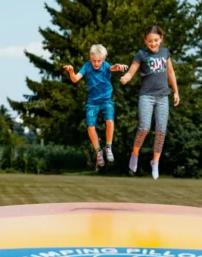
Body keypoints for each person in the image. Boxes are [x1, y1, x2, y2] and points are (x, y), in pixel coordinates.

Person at [120, 25, 180, 179]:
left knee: (161, 130)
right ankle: (135, 153)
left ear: (161, 39)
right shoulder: (141, 54)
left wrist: (176, 91)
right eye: (150, 41)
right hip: (146, 96)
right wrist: (126, 78)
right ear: (145, 41)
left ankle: (155, 162)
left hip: (162, 96)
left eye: (156, 40)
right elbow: (132, 70)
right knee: (144, 127)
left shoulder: (165, 52)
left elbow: (170, 72)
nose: (153, 44)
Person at [64, 44, 128, 167]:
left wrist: (118, 67)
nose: (96, 63)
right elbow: (75, 79)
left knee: (109, 121)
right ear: (90, 59)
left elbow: (113, 68)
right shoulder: (87, 66)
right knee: (90, 126)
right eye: (94, 61)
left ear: (103, 60)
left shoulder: (106, 66)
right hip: (92, 102)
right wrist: (71, 71)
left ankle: (108, 147)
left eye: (99, 61)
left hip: (106, 100)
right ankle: (98, 151)